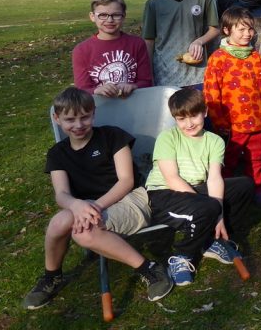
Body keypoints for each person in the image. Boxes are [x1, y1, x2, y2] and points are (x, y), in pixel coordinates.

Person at [23, 86, 173, 310]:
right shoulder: (58, 154)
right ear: (57, 119)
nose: (78, 125)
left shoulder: (112, 136)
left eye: (84, 117)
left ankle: (149, 268)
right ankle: (52, 276)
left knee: (82, 233)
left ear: (93, 113)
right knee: (58, 222)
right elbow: (62, 194)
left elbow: (126, 181)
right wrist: (77, 205)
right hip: (86, 207)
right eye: (70, 119)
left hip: (129, 199)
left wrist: (95, 206)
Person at [145, 88, 254, 287]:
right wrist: (209, 207)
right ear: (174, 119)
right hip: (164, 193)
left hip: (196, 189)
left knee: (244, 186)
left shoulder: (215, 141)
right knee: (209, 207)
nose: (189, 124)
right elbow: (171, 178)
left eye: (194, 115)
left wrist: (219, 215)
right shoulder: (167, 138)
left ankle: (211, 239)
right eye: (181, 119)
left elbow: (214, 178)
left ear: (204, 111)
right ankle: (181, 256)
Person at [203, 7, 261, 206]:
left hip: (258, 120)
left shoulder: (255, 58)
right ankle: (225, 191)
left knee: (256, 158)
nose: (247, 34)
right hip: (233, 125)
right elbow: (211, 93)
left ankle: (256, 188)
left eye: (250, 30)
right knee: (228, 159)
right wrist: (219, 122)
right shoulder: (218, 59)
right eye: (241, 30)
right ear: (227, 30)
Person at [142, 0, 221, 88]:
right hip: (165, 74)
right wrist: (149, 75)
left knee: (198, 110)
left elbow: (214, 29)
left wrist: (199, 41)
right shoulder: (154, 3)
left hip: (197, 73)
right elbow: (149, 41)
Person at [72, 0, 153, 98]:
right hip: (98, 109)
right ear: (92, 16)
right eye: (103, 15)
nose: (110, 20)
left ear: (123, 16)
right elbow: (81, 90)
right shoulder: (82, 50)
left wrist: (133, 86)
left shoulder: (137, 44)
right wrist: (97, 90)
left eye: (116, 15)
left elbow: (146, 81)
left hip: (134, 105)